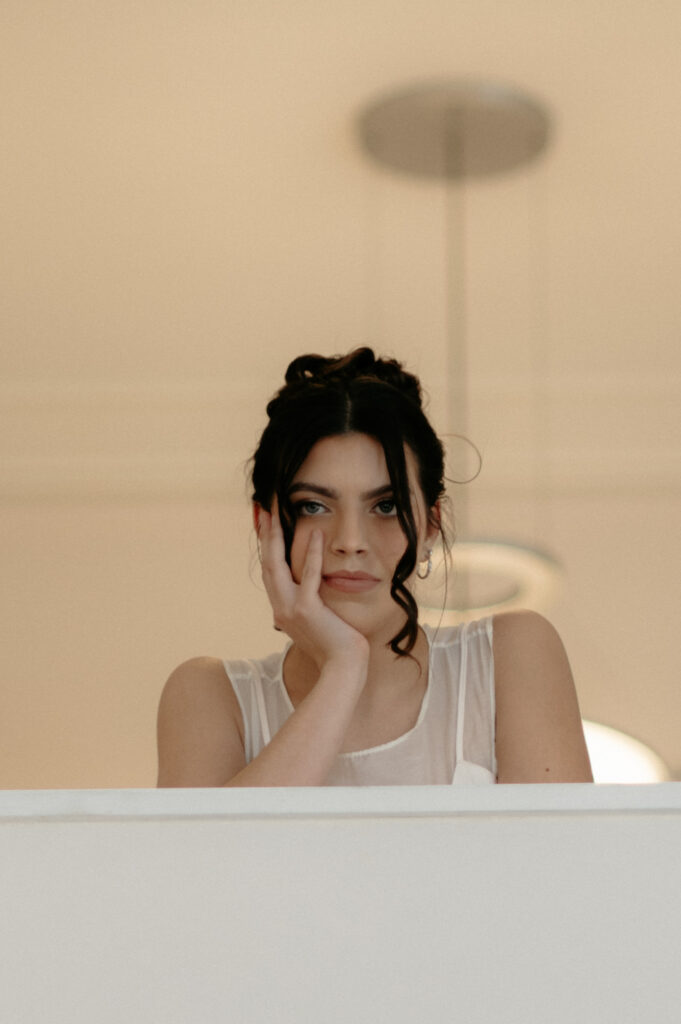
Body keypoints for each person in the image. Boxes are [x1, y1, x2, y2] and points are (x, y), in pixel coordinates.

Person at [157, 348, 593, 786]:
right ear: (262, 523)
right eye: (313, 506)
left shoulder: (508, 658)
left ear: (430, 525)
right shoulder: (211, 697)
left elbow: (563, 855)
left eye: (385, 505)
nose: (350, 542)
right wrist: (343, 668)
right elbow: (216, 855)